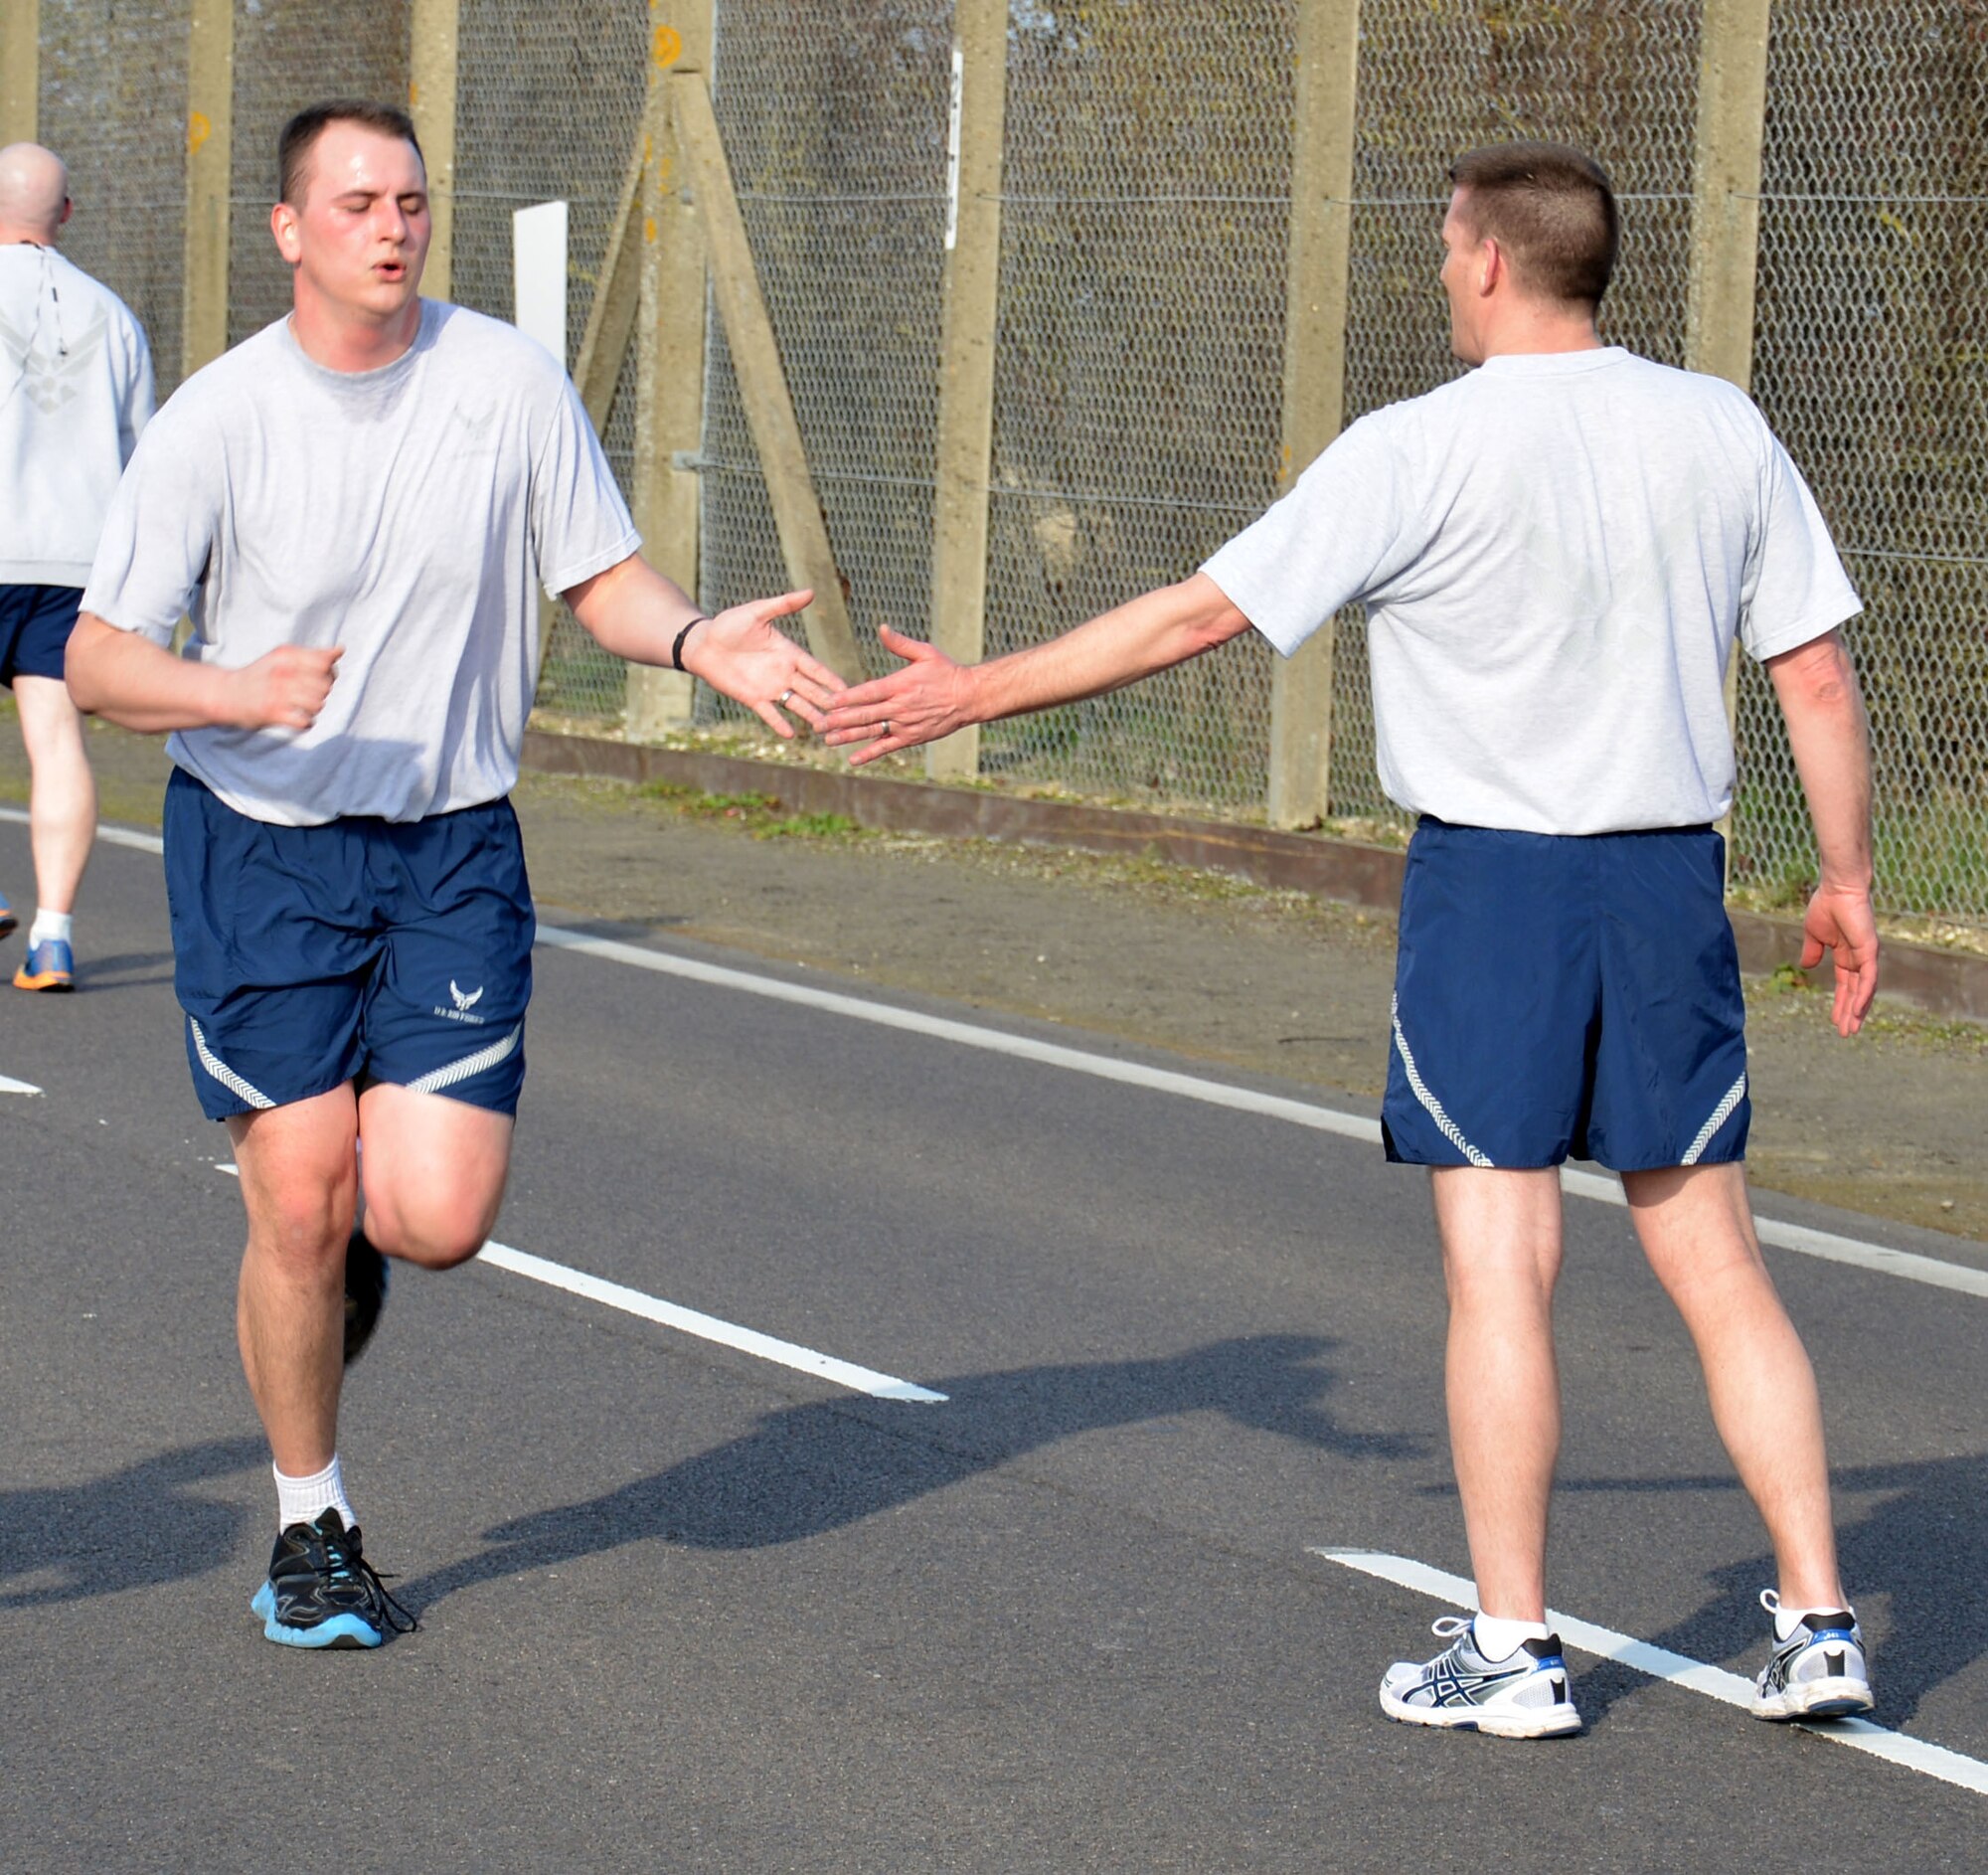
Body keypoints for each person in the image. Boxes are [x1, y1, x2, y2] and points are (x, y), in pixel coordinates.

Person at [822, 142, 1880, 1740]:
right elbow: (1810, 673)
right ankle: (1819, 1620)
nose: (1440, 267)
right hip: (1669, 885)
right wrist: (1846, 875)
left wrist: (975, 690)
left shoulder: (1415, 448)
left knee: (1502, 1265)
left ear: (1488, 264)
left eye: (1447, 245)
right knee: (1717, 1261)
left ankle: (1516, 1648)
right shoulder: (1719, 425)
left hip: (1497, 894)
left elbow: (1194, 615)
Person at [67, 99, 843, 1649]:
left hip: (448, 849)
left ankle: (352, 1235)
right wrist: (235, 693)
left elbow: (600, 578)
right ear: (289, 230)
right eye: (355, 202)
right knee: (295, 1195)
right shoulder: (220, 418)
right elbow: (96, 656)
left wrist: (695, 639)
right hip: (264, 851)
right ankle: (313, 1525)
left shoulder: (503, 382)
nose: (392, 225)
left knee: (432, 1216)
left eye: (412, 200)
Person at [0, 141, 154, 990]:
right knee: (56, 743)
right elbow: (143, 454)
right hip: (77, 562)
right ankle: (53, 935)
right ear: (66, 214)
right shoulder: (115, 315)